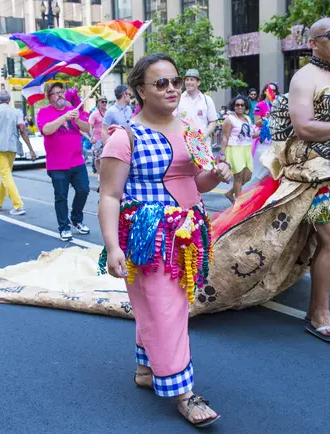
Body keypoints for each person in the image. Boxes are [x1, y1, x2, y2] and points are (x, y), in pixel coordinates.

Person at [212, 18, 330, 343]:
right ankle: (318, 313)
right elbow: (304, 127)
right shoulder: (304, 78)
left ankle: (318, 305)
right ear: (313, 42)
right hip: (313, 177)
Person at [99, 53, 231, 428]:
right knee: (166, 309)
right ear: (140, 89)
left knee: (160, 306)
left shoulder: (189, 127)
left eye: (175, 81)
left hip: (188, 236)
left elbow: (193, 182)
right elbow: (109, 195)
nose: (172, 88)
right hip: (148, 238)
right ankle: (185, 394)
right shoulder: (124, 138)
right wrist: (112, 247)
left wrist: (216, 176)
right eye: (161, 83)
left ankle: (145, 369)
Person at [37, 82, 91, 241]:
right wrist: (63, 118)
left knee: (84, 189)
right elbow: (46, 130)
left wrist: (77, 120)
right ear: (50, 98)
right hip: (57, 164)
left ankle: (76, 219)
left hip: (77, 160)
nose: (60, 95)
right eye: (56, 93)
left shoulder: (72, 110)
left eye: (62, 92)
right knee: (61, 196)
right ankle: (64, 227)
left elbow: (86, 128)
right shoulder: (44, 112)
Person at [0, 90, 37, 216]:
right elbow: (23, 130)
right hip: (12, 146)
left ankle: (18, 205)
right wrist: (31, 149)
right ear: (9, 100)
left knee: (6, 175)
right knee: (6, 175)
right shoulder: (17, 112)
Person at [221, 95, 255, 202]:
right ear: (233, 106)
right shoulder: (229, 119)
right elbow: (225, 137)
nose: (240, 107)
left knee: (247, 176)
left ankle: (230, 193)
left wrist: (265, 130)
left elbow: (251, 134)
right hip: (234, 149)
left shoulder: (248, 118)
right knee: (238, 178)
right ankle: (238, 205)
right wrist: (222, 154)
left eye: (242, 105)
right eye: (237, 105)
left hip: (247, 149)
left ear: (245, 106)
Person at [176, 69, 218, 151]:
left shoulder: (207, 100)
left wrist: (204, 136)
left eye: (192, 80)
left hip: (203, 146)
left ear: (198, 82)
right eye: (187, 80)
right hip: (183, 145)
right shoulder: (178, 99)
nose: (188, 82)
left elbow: (213, 121)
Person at [88, 95, 108, 179]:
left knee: (106, 157)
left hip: (107, 138)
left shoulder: (108, 112)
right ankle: (100, 174)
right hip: (98, 139)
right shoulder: (95, 114)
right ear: (98, 103)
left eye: (106, 102)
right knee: (97, 158)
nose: (104, 103)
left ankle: (106, 173)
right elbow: (90, 126)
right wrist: (91, 137)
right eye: (102, 102)